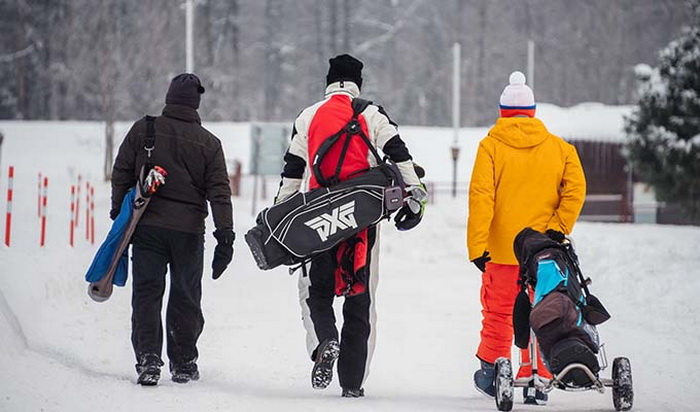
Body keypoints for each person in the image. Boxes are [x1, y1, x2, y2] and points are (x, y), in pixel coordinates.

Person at [275, 54, 427, 398]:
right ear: (358, 83)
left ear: (328, 82)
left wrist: (282, 213)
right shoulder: (371, 113)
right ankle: (352, 384)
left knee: (317, 292)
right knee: (360, 299)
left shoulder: (308, 115)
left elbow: (293, 169)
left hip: (317, 219)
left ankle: (326, 339)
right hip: (362, 219)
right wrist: (416, 197)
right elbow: (398, 152)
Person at [467, 71, 586, 405]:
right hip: (544, 252)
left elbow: (481, 197)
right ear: (533, 111)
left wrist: (478, 246)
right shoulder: (560, 149)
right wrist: (557, 228)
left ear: (502, 112)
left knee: (499, 312)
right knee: (545, 308)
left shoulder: (490, 147)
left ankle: (492, 372)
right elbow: (576, 190)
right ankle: (539, 378)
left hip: (504, 251)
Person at [111, 73, 235, 386]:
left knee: (147, 294)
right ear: (196, 103)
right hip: (189, 233)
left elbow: (122, 170)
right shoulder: (209, 143)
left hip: (147, 227)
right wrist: (225, 236)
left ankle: (149, 359)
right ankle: (183, 363)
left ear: (169, 98)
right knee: (186, 296)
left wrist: (119, 212)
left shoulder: (145, 129)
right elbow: (219, 192)